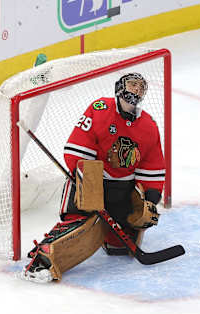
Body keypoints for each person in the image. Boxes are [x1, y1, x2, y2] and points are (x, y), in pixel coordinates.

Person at [20, 73, 166, 283]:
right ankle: (42, 260)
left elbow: (152, 165)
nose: (135, 91)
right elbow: (77, 149)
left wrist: (150, 198)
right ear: (119, 89)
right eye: (131, 86)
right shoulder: (100, 110)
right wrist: (90, 186)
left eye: (139, 87)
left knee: (121, 245)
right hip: (91, 180)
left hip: (123, 190)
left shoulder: (148, 126)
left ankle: (106, 233)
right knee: (80, 227)